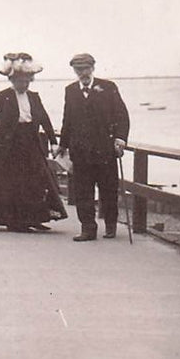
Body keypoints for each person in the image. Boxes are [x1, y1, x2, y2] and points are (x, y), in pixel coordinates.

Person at [0, 53, 66, 232]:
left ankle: (34, 218)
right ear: (12, 79)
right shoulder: (2, 96)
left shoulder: (34, 97)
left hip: (31, 142)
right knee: (12, 183)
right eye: (20, 81)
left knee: (34, 181)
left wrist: (53, 141)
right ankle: (15, 221)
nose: (24, 85)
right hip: (8, 145)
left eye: (27, 81)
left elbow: (44, 119)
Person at [57, 53, 130, 241]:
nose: (82, 73)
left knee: (108, 189)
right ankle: (88, 229)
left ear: (93, 68)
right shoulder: (70, 90)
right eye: (78, 69)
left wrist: (120, 139)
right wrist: (63, 144)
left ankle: (111, 226)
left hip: (105, 149)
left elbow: (122, 116)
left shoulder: (108, 87)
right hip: (80, 151)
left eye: (86, 68)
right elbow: (68, 120)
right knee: (83, 191)